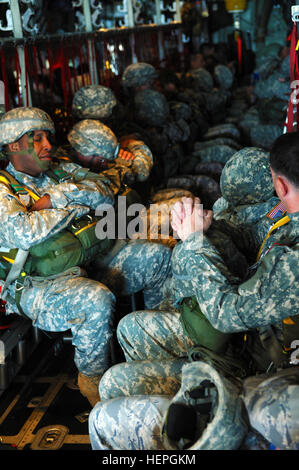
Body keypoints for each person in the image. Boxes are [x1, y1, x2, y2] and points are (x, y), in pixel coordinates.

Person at [88, 133, 299, 450]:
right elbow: (253, 277)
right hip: (256, 353)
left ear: (280, 186)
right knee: (119, 367)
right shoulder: (283, 224)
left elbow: (226, 313)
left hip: (264, 379)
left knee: (107, 408)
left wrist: (194, 241)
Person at [0, 106, 173, 407]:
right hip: (38, 286)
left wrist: (57, 198)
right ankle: (95, 383)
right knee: (94, 300)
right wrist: (78, 206)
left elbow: (103, 190)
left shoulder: (58, 171)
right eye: (37, 138)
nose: (48, 146)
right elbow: (23, 232)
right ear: (14, 145)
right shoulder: (4, 188)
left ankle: (156, 350)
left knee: (157, 257)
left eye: (47, 138)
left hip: (86, 261)